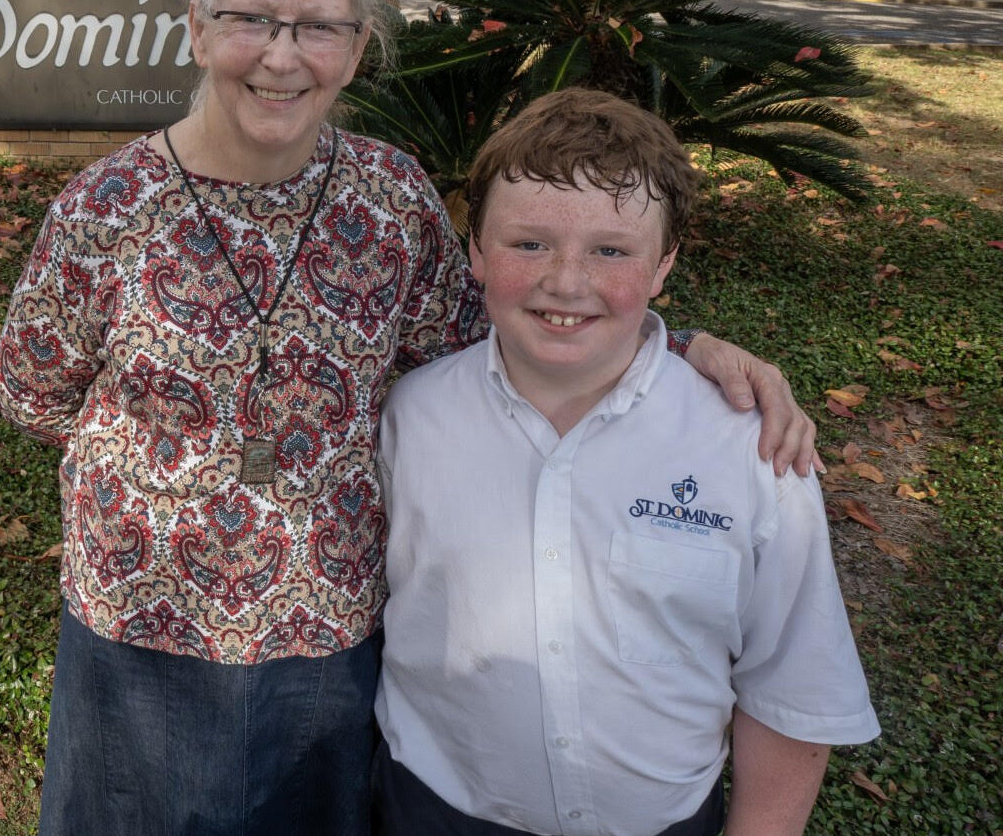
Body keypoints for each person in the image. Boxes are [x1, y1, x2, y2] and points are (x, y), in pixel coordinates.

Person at [0, 0, 817, 836]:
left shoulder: (391, 202)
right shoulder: (105, 208)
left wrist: (694, 350)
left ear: (358, 48)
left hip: (331, 634)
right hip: (141, 624)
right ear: (198, 29)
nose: (282, 57)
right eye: (253, 18)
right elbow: (33, 393)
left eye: (321, 27)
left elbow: (505, 346)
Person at [372, 89, 878, 836]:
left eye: (611, 251)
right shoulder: (411, 419)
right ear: (475, 250)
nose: (567, 281)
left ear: (664, 264)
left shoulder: (747, 446)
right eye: (528, 243)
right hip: (434, 810)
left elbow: (792, 688)